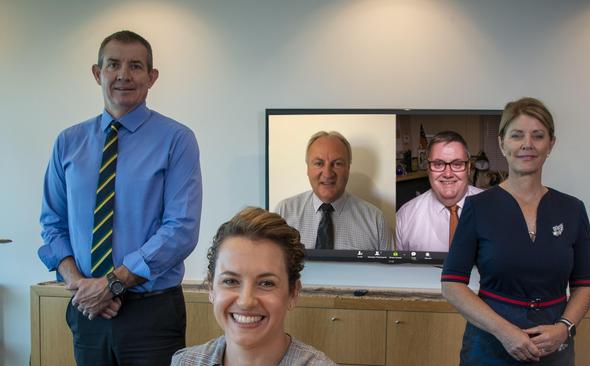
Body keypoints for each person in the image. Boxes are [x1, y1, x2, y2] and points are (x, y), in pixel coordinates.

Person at [38, 30, 202, 365]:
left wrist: (112, 284)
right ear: (97, 73)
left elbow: (181, 229)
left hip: (151, 313)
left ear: (151, 77)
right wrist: (81, 285)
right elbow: (52, 225)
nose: (123, 75)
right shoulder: (67, 142)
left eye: (136, 66)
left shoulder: (177, 140)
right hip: (87, 310)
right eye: (113, 64)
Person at [441, 97, 590, 365]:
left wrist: (564, 328)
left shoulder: (572, 209)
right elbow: (452, 284)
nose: (527, 144)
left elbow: (584, 283)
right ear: (502, 143)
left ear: (551, 144)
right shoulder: (478, 208)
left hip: (553, 349)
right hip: (489, 348)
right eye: (517, 135)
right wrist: (506, 332)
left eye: (538, 136)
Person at [171, 207, 336, 365]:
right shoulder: (184, 362)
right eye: (231, 281)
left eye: (266, 283)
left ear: (293, 293)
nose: (246, 302)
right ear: (211, 288)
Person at [275, 131, 390, 250]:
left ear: (348, 169)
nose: (328, 174)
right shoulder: (284, 213)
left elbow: (390, 268)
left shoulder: (376, 221)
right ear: (308, 168)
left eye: (337, 164)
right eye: (319, 163)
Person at [396, 131, 482, 252]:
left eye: (457, 164)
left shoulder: (495, 209)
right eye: (438, 164)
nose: (448, 174)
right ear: (428, 169)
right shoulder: (405, 217)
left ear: (468, 168)